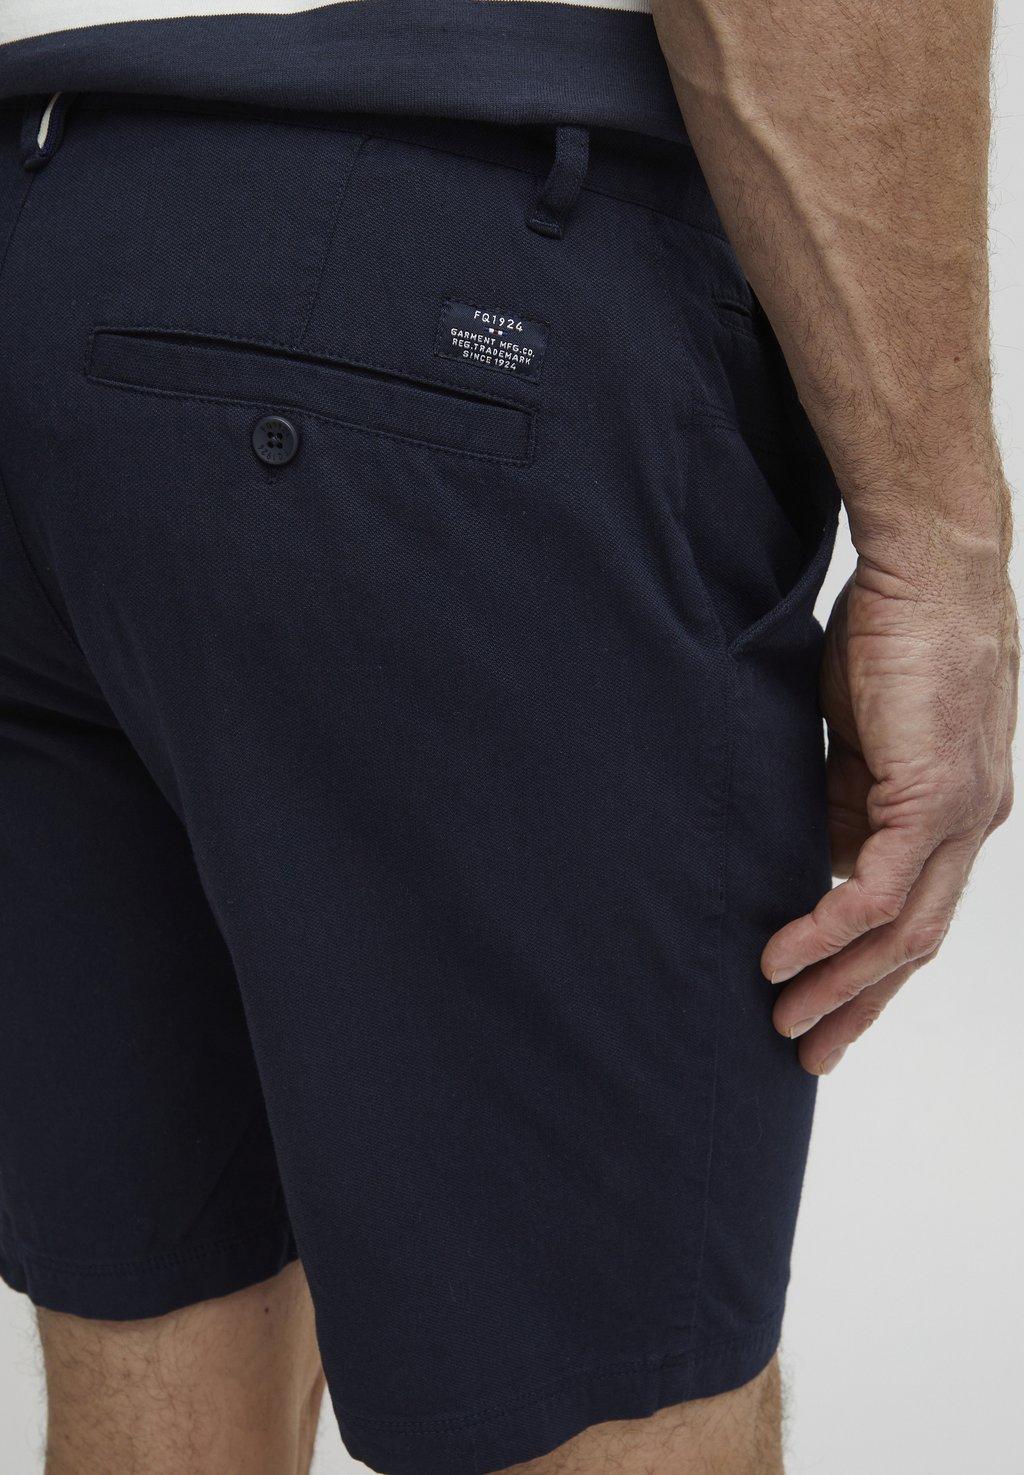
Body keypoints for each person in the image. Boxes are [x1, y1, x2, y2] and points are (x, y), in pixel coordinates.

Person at [0, 2, 1015, 1473]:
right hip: (457, 311)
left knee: (156, 1367)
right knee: (611, 1400)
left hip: (44, 244)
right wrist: (942, 556)